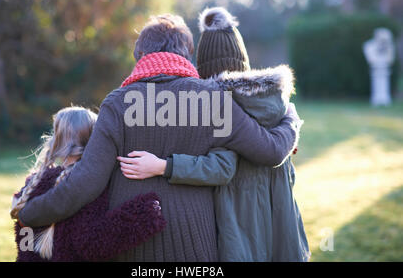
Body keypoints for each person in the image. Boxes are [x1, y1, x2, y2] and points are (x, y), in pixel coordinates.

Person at [17, 14, 302, 261]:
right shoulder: (213, 100)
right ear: (186, 54)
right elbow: (272, 151)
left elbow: (85, 182)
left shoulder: (118, 103)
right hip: (195, 247)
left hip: (130, 244)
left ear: (140, 56)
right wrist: (291, 120)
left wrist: (30, 212)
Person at [119, 7, 310, 262]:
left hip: (239, 229)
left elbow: (221, 167)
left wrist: (163, 166)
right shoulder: (276, 105)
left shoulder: (216, 106)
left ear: (203, 68)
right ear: (243, 60)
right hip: (282, 227)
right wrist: (291, 123)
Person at [11, 106, 166, 261]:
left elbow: (25, 243)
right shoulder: (89, 184)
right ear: (96, 142)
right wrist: (143, 213)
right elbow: (92, 244)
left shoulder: (32, 185)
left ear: (55, 141)